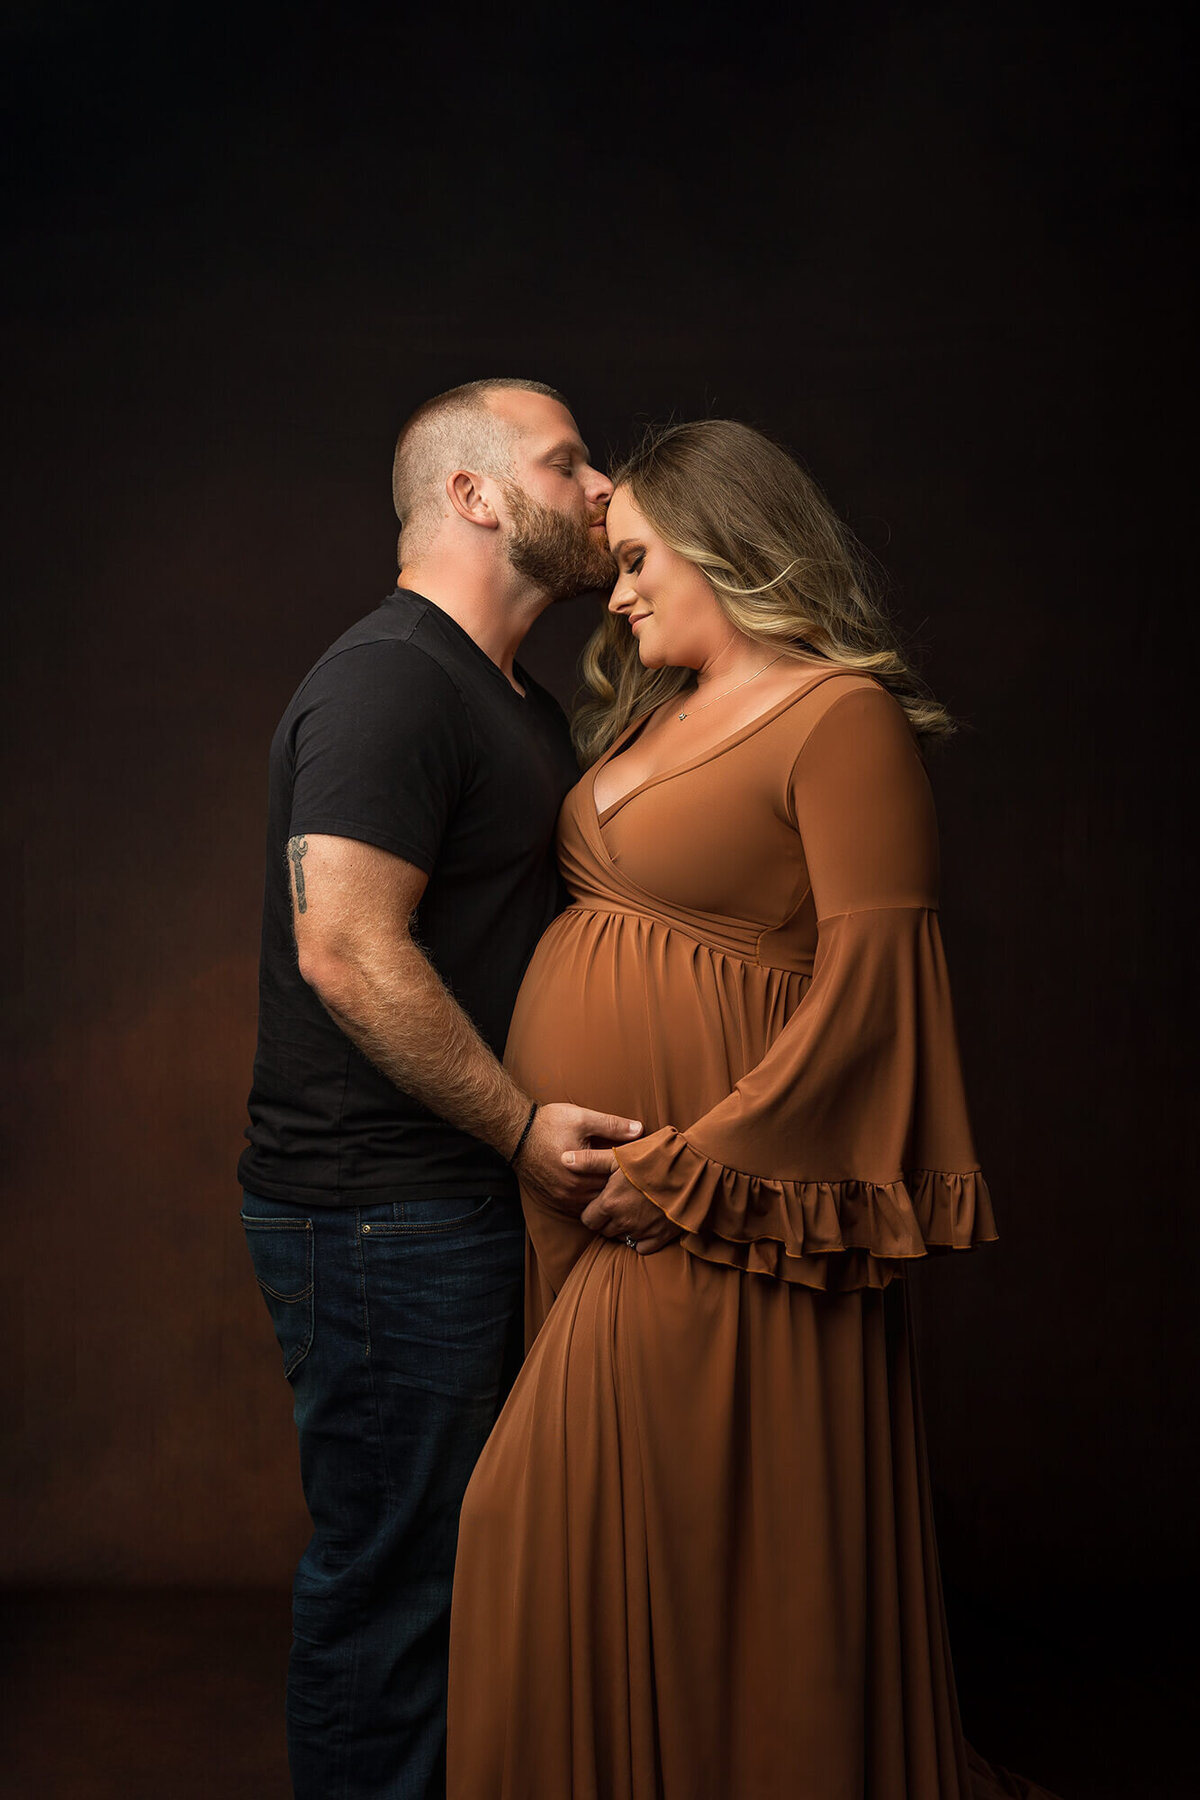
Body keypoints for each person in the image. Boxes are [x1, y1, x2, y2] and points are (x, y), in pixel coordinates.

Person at [446, 419, 1058, 1798]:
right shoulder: (648, 715)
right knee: (639, 1530)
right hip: (595, 1198)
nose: (616, 594)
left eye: (640, 560)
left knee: (614, 1519)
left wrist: (696, 1168)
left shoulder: (842, 718)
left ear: (729, 544)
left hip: (735, 1205)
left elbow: (876, 986)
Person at [238, 377, 644, 1800]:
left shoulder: (508, 696)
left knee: (469, 1579)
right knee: (397, 1591)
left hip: (447, 1204)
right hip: (379, 1216)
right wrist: (522, 1128)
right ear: (474, 496)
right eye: (566, 461)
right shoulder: (392, 677)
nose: (601, 488)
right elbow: (347, 947)